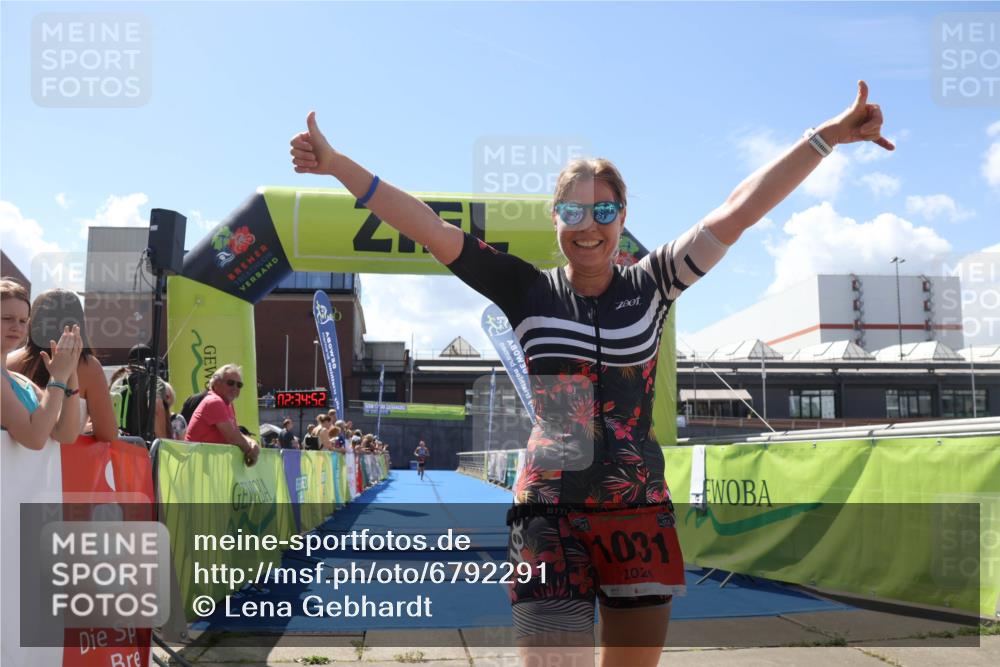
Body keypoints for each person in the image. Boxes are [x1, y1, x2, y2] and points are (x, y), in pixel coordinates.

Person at [291, 82, 892, 664]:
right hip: (547, 512)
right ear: (556, 216)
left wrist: (828, 136)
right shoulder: (524, 289)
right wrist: (339, 164)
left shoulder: (654, 282)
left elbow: (739, 211)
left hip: (638, 512)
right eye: (574, 210)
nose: (589, 225)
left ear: (622, 214)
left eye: (603, 210)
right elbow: (428, 227)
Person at [7, 288, 117, 442]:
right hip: (67, 463)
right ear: (78, 324)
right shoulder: (88, 367)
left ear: (33, 322)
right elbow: (108, 434)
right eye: (7, 318)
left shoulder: (8, 362)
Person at [1, 278, 84, 448]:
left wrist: (70, 370)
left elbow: (65, 434)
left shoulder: (20, 381)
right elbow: (34, 438)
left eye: (23, 321)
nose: (16, 326)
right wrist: (58, 377)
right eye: (7, 318)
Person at [185, 364, 260, 466]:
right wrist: (252, 452)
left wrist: (252, 442)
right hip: (197, 465)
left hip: (207, 465)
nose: (235, 388)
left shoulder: (227, 404)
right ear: (216, 383)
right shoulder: (214, 401)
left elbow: (236, 433)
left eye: (239, 385)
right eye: (230, 383)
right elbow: (233, 438)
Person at [109, 343, 170, 439]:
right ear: (149, 362)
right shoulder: (153, 381)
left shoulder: (116, 381)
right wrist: (163, 442)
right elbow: (156, 408)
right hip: (142, 448)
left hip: (116, 446)